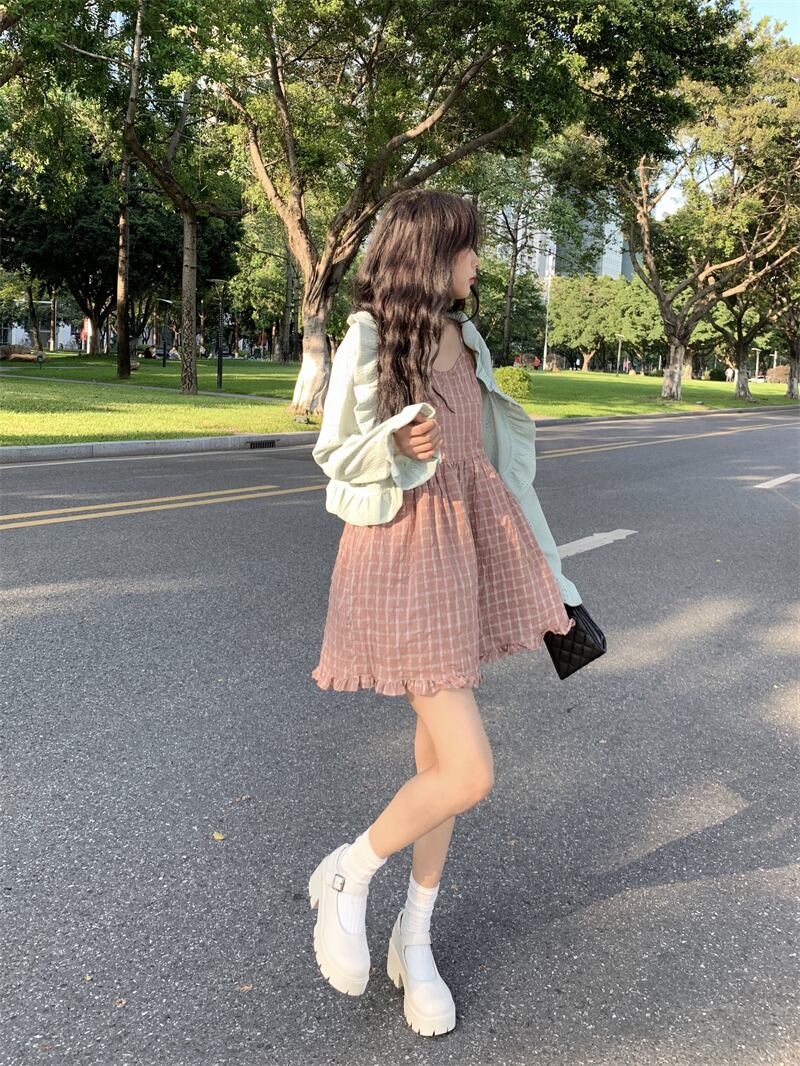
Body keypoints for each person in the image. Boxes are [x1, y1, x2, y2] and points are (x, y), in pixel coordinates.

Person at [308, 189, 579, 1037]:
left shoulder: (469, 340)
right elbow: (334, 453)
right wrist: (391, 441)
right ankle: (349, 873)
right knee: (470, 770)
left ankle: (414, 939)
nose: (477, 264)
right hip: (400, 558)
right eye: (468, 250)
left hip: (465, 555)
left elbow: (503, 467)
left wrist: (557, 580)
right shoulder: (368, 338)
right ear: (430, 255)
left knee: (437, 761)